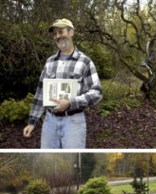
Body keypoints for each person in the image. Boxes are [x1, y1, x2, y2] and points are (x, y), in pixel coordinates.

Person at [23, 18, 102, 148]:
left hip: (73, 122)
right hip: (50, 121)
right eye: (55, 34)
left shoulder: (85, 62)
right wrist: (32, 121)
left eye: (61, 32)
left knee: (72, 158)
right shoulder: (50, 62)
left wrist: (71, 102)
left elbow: (96, 92)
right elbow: (40, 92)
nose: (57, 36)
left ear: (71, 32)